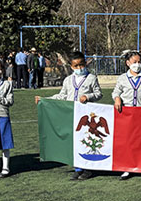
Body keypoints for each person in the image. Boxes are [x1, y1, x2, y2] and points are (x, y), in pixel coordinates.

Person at [35, 51, 102, 180]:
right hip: (71, 114)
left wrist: (88, 96)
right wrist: (44, 99)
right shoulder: (68, 80)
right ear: (71, 66)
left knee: (85, 141)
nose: (79, 68)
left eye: (81, 65)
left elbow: (99, 94)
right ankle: (77, 168)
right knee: (73, 141)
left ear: (85, 64)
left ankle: (87, 168)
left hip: (85, 116)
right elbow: (62, 96)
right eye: (76, 66)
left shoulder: (91, 78)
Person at [112, 51, 141, 180]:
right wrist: (117, 99)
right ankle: (127, 168)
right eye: (134, 62)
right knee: (128, 142)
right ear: (128, 63)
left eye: (139, 62)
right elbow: (116, 91)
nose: (137, 65)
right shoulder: (122, 78)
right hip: (127, 114)